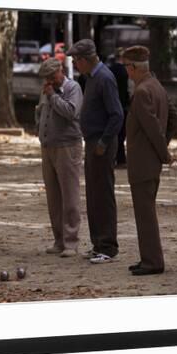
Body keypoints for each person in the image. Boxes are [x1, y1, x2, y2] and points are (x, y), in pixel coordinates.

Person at [67, 39, 124, 264]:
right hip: (92, 142)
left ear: (84, 60)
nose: (74, 64)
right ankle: (98, 243)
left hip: (102, 144)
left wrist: (104, 141)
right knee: (93, 195)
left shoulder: (104, 78)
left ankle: (108, 246)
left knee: (103, 195)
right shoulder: (91, 78)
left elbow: (117, 114)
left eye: (75, 60)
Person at [122, 45, 177, 275]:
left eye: (126, 67)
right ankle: (148, 258)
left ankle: (153, 262)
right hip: (149, 162)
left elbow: (153, 128)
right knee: (145, 213)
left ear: (134, 67)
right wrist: (164, 145)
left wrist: (164, 152)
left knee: (145, 215)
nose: (126, 72)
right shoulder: (157, 86)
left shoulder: (143, 91)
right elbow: (174, 116)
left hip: (144, 163)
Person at [36, 58, 84, 257]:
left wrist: (53, 96)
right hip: (48, 147)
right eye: (47, 78)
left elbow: (71, 112)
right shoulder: (47, 90)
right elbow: (41, 112)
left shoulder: (73, 88)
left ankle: (71, 241)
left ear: (61, 71)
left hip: (67, 146)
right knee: (53, 196)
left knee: (69, 195)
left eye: (52, 76)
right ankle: (59, 240)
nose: (50, 80)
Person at [109, 47, 130, 167]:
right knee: (121, 135)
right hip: (122, 105)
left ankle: (114, 157)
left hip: (112, 104)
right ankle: (121, 159)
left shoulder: (111, 70)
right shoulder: (125, 72)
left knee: (114, 133)